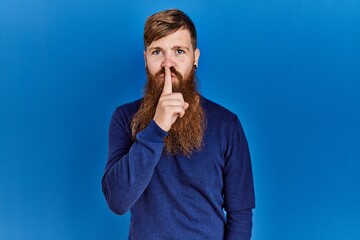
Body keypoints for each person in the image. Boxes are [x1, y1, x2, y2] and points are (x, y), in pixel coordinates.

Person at [102, 9, 255, 240]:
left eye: (179, 51)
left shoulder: (227, 125)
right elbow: (117, 201)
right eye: (157, 52)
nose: (167, 64)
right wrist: (156, 128)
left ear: (195, 58)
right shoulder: (125, 118)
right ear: (145, 59)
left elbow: (240, 213)